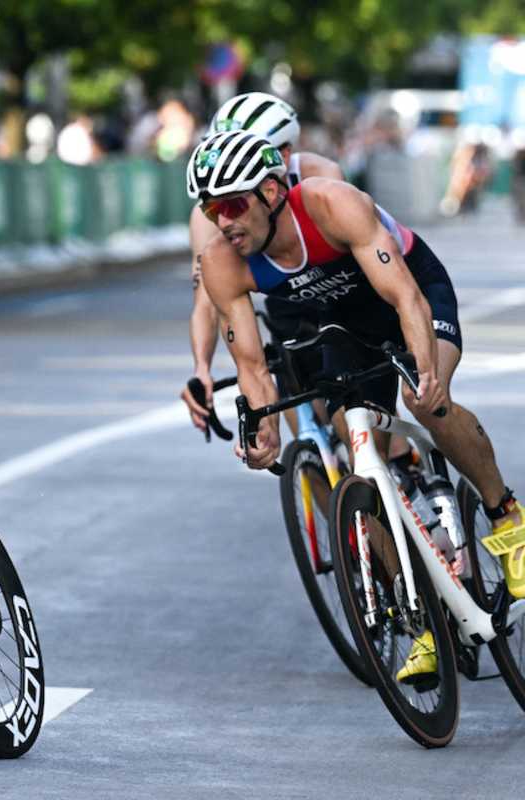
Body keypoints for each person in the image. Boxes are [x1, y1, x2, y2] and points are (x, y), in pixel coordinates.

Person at [187, 129, 525, 684]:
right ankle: (421, 620)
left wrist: (424, 369)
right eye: (210, 208)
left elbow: (405, 298)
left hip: (410, 291)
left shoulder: (329, 205)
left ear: (272, 191)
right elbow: (251, 366)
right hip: (346, 322)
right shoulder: (224, 262)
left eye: (232, 205)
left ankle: (507, 516)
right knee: (355, 441)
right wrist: (263, 425)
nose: (222, 221)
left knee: (425, 401)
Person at [180, 93, 344, 436]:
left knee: (352, 411)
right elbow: (205, 301)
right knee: (305, 435)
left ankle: (400, 463)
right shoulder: (208, 213)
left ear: (283, 154)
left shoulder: (320, 174)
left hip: (335, 288)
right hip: (286, 300)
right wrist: (202, 369)